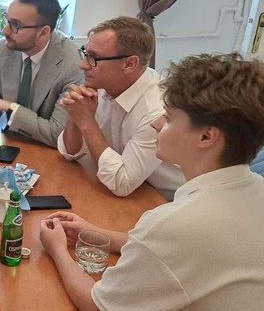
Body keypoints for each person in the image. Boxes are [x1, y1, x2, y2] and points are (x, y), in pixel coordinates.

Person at [24, 53, 264, 311]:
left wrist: (57, 248)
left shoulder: (177, 223)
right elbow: (174, 250)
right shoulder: (254, 189)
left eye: (169, 118)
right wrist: (95, 232)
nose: (156, 123)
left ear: (206, 136)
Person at [57, 16, 184, 199]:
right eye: (85, 53)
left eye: (94, 58)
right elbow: (70, 152)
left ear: (129, 64)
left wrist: (86, 121)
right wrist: (77, 113)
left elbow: (122, 183)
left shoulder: (157, 110)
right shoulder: (102, 83)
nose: (83, 64)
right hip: (131, 189)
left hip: (165, 200)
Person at [0, 0, 82, 153]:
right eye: (7, 20)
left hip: (48, 153)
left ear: (43, 32)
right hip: (7, 142)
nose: (4, 31)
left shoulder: (72, 64)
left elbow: (57, 134)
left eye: (15, 25)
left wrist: (10, 107)